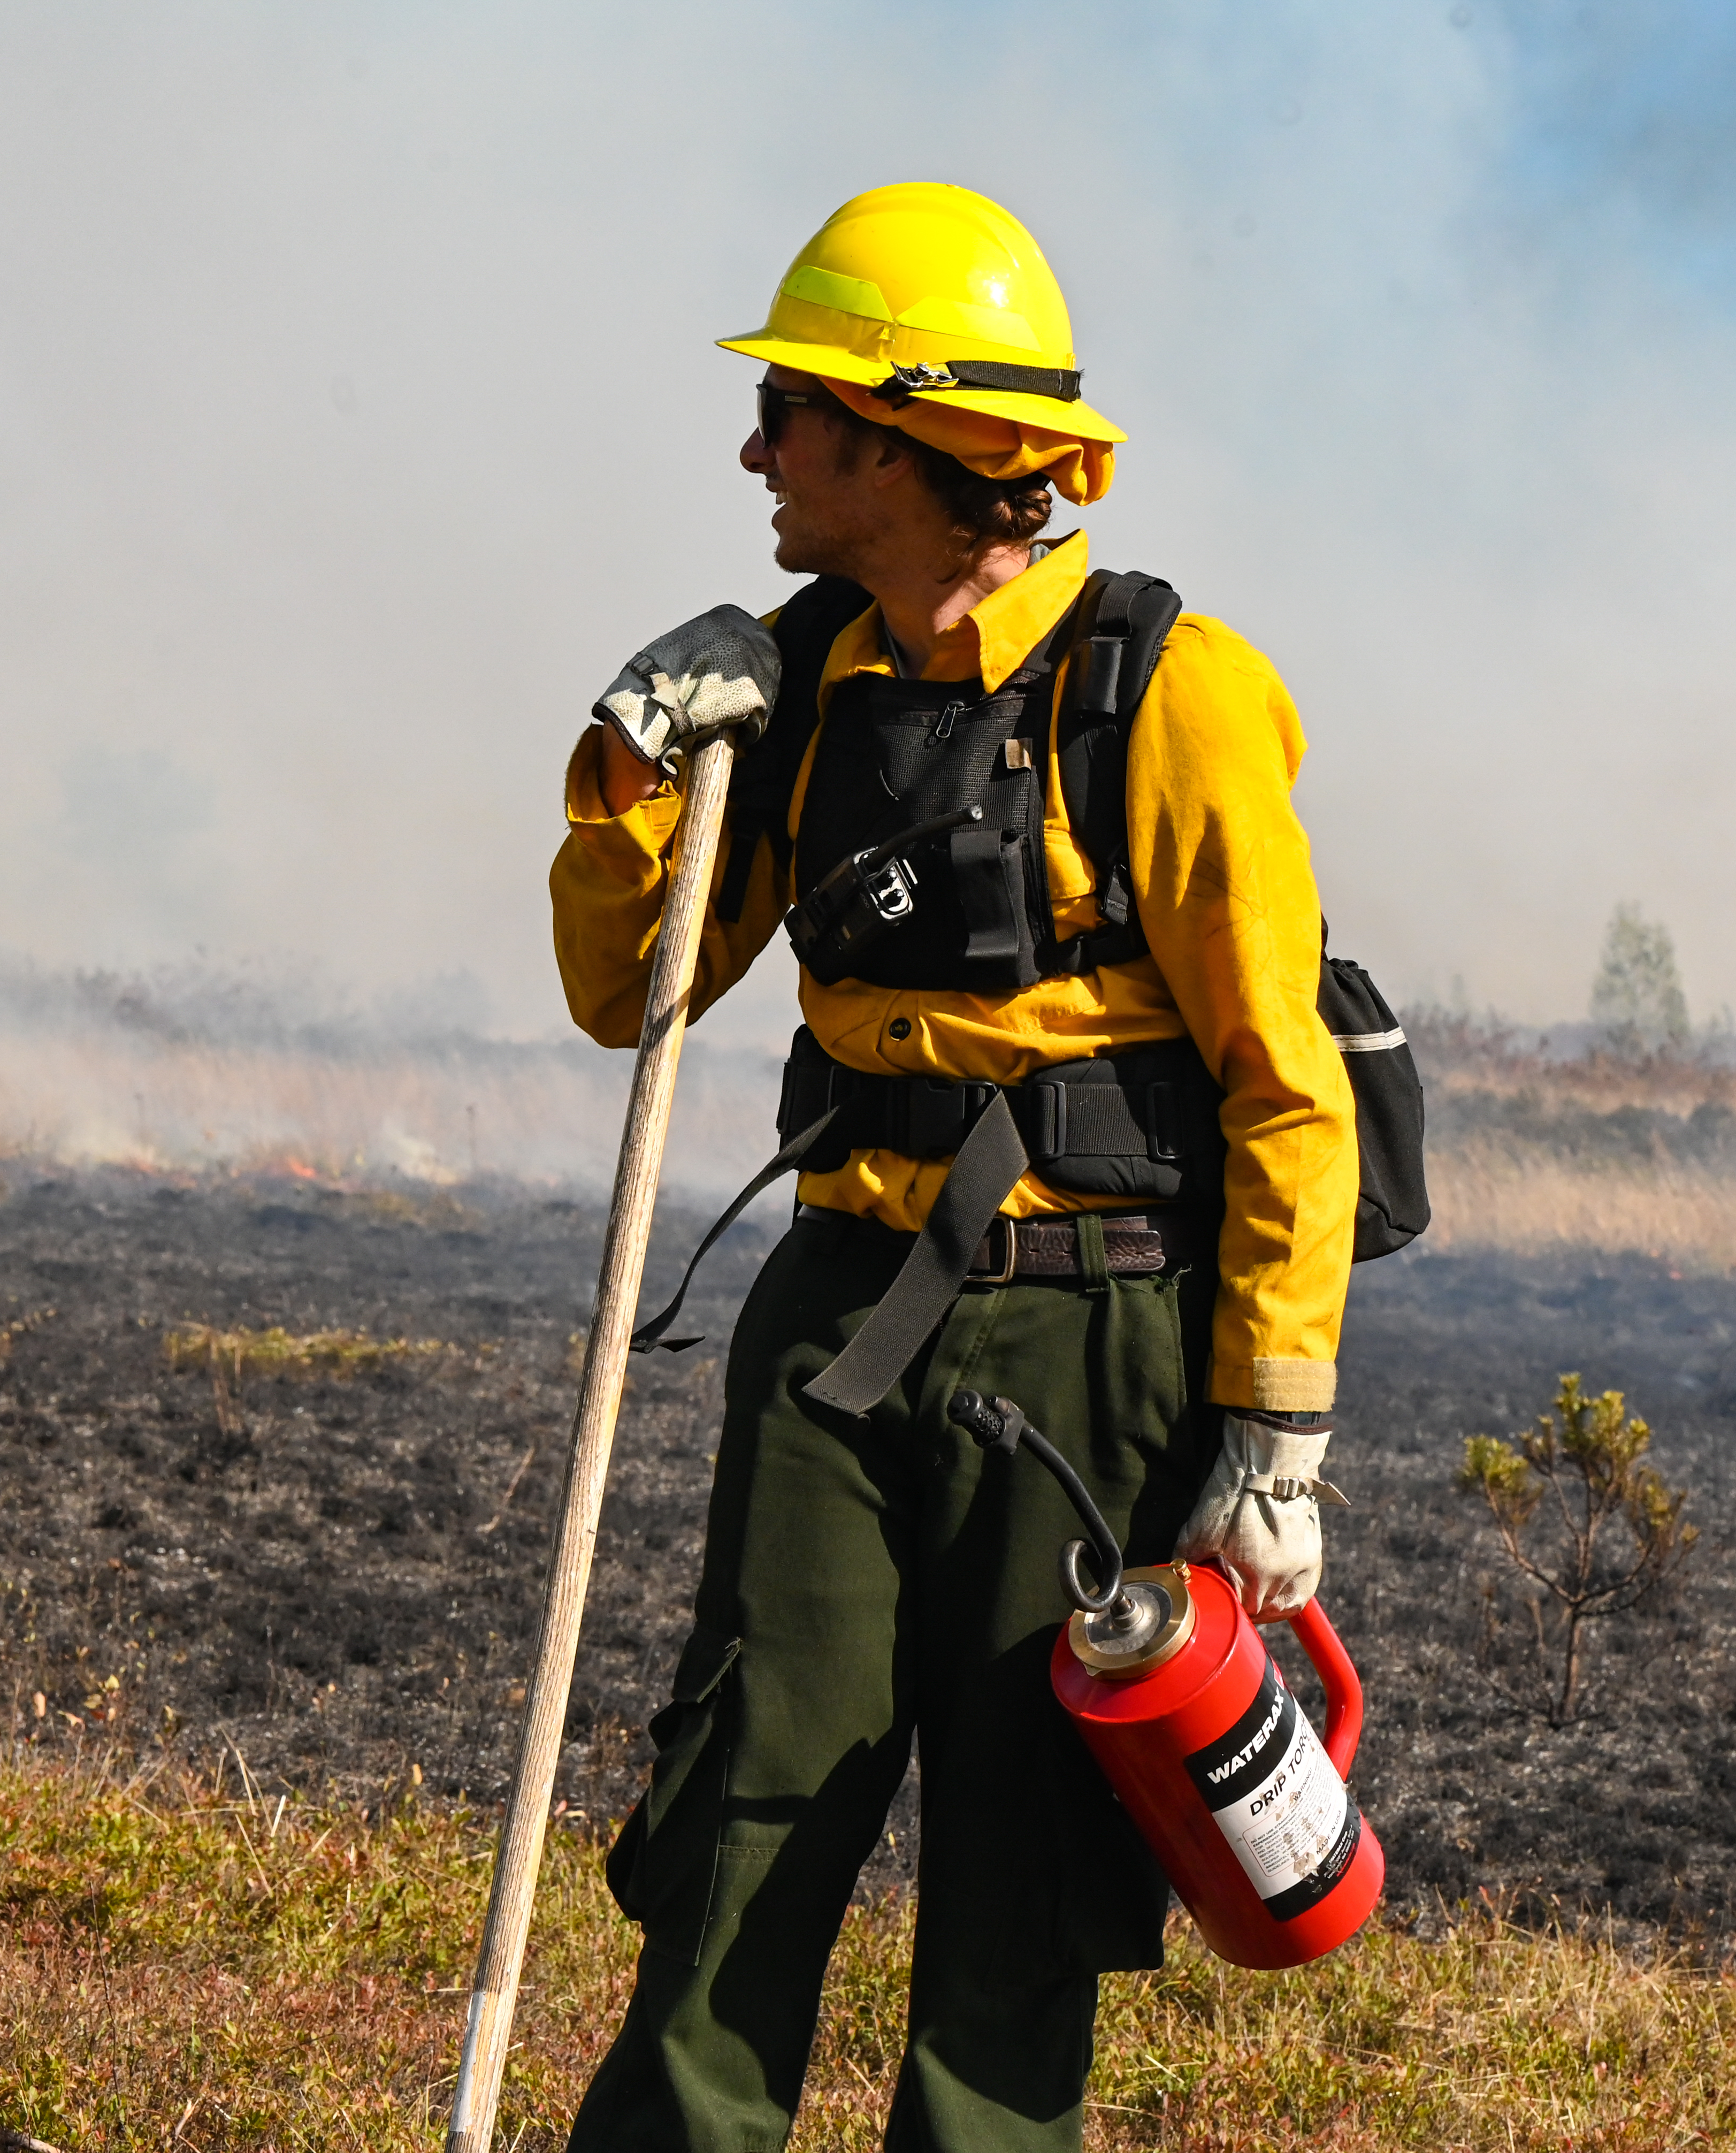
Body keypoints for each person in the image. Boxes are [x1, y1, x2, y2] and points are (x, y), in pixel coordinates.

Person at [548, 181, 1357, 2152]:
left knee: (1022, 1891)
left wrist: (1274, 1434)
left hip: (1091, 1358)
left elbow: (1286, 1088)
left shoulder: (1172, 696)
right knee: (743, 1809)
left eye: (796, 413)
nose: (757, 450)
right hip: (835, 1327)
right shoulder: (803, 685)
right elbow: (619, 994)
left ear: (909, 448)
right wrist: (640, 767)